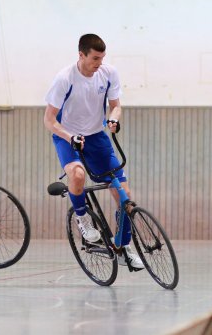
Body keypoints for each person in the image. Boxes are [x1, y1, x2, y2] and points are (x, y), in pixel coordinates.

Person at [43, 34, 144, 269]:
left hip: (96, 137)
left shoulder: (108, 74)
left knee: (124, 195)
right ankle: (82, 218)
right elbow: (48, 120)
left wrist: (113, 120)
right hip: (66, 136)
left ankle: (123, 246)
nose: (99, 63)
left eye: (102, 58)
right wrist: (70, 137)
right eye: (95, 58)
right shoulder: (64, 79)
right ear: (81, 55)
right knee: (77, 175)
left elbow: (115, 106)